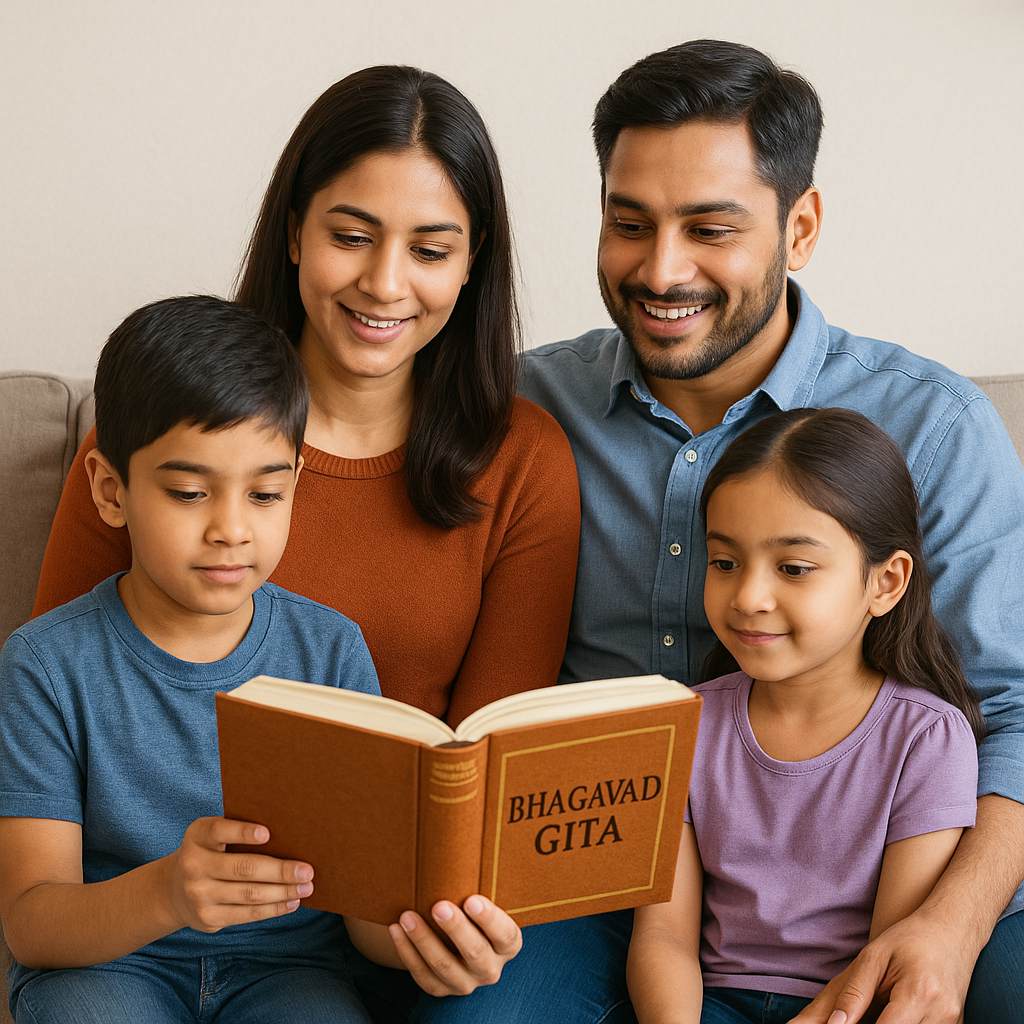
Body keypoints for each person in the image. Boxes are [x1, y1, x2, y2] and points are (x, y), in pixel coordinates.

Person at [30, 66, 577, 1016]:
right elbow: (59, 698)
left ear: (472, 260)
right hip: (134, 931)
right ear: (295, 232)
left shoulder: (523, 461)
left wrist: (442, 920)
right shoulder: (154, 435)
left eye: (431, 249)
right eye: (350, 235)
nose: (385, 283)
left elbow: (492, 766)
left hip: (370, 922)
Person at [514, 38, 1024, 1024]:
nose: (661, 269)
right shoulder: (526, 407)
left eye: (709, 227)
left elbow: (1015, 710)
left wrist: (945, 930)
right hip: (597, 868)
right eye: (629, 223)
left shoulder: (934, 424)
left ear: (800, 228)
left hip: (906, 876)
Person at [0, 295, 518, 1024]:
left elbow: (364, 916)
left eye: (266, 493)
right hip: (111, 964)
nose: (231, 530)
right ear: (111, 491)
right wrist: (169, 894)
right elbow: (32, 922)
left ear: (295, 484)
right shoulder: (46, 665)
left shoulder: (330, 650)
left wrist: (428, 938)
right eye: (188, 492)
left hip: (291, 972)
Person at [628, 407, 981, 1024]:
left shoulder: (926, 738)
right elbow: (663, 937)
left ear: (886, 583)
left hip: (853, 1006)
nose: (747, 598)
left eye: (793, 568)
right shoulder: (683, 725)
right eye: (725, 562)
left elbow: (889, 954)